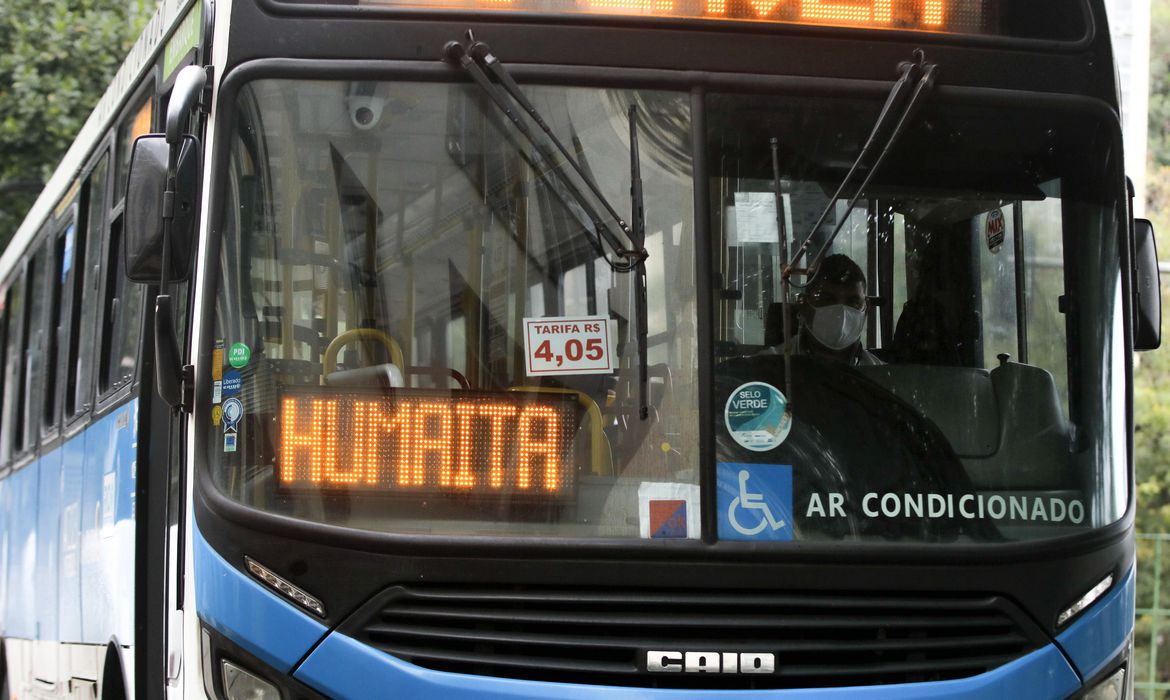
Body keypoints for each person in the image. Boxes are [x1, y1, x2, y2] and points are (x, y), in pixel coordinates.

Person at [765, 253, 881, 366]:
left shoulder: (882, 377)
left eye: (852, 302)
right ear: (804, 306)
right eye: (827, 300)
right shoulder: (766, 369)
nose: (841, 313)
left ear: (866, 309)